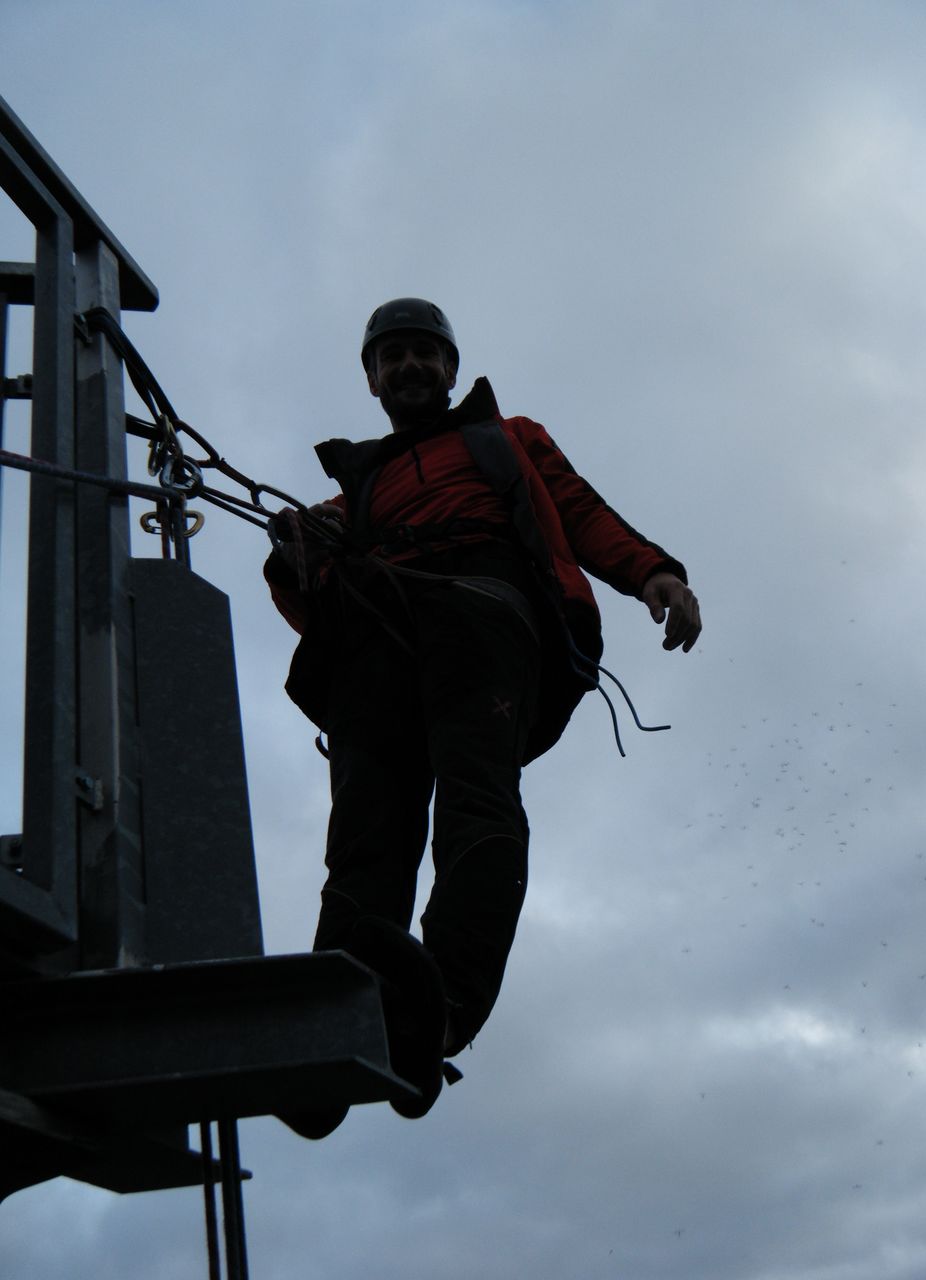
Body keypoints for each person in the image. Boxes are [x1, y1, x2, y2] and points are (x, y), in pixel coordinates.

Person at [264, 298, 700, 1130]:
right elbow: (307, 591)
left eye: (425, 352)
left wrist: (654, 573)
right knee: (365, 835)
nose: (410, 366)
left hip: (482, 614)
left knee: (476, 802)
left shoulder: (508, 438)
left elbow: (579, 509)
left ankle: (442, 1004)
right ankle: (338, 1019)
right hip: (379, 639)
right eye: (392, 356)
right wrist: (298, 554)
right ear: (372, 380)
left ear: (450, 368)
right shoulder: (352, 495)